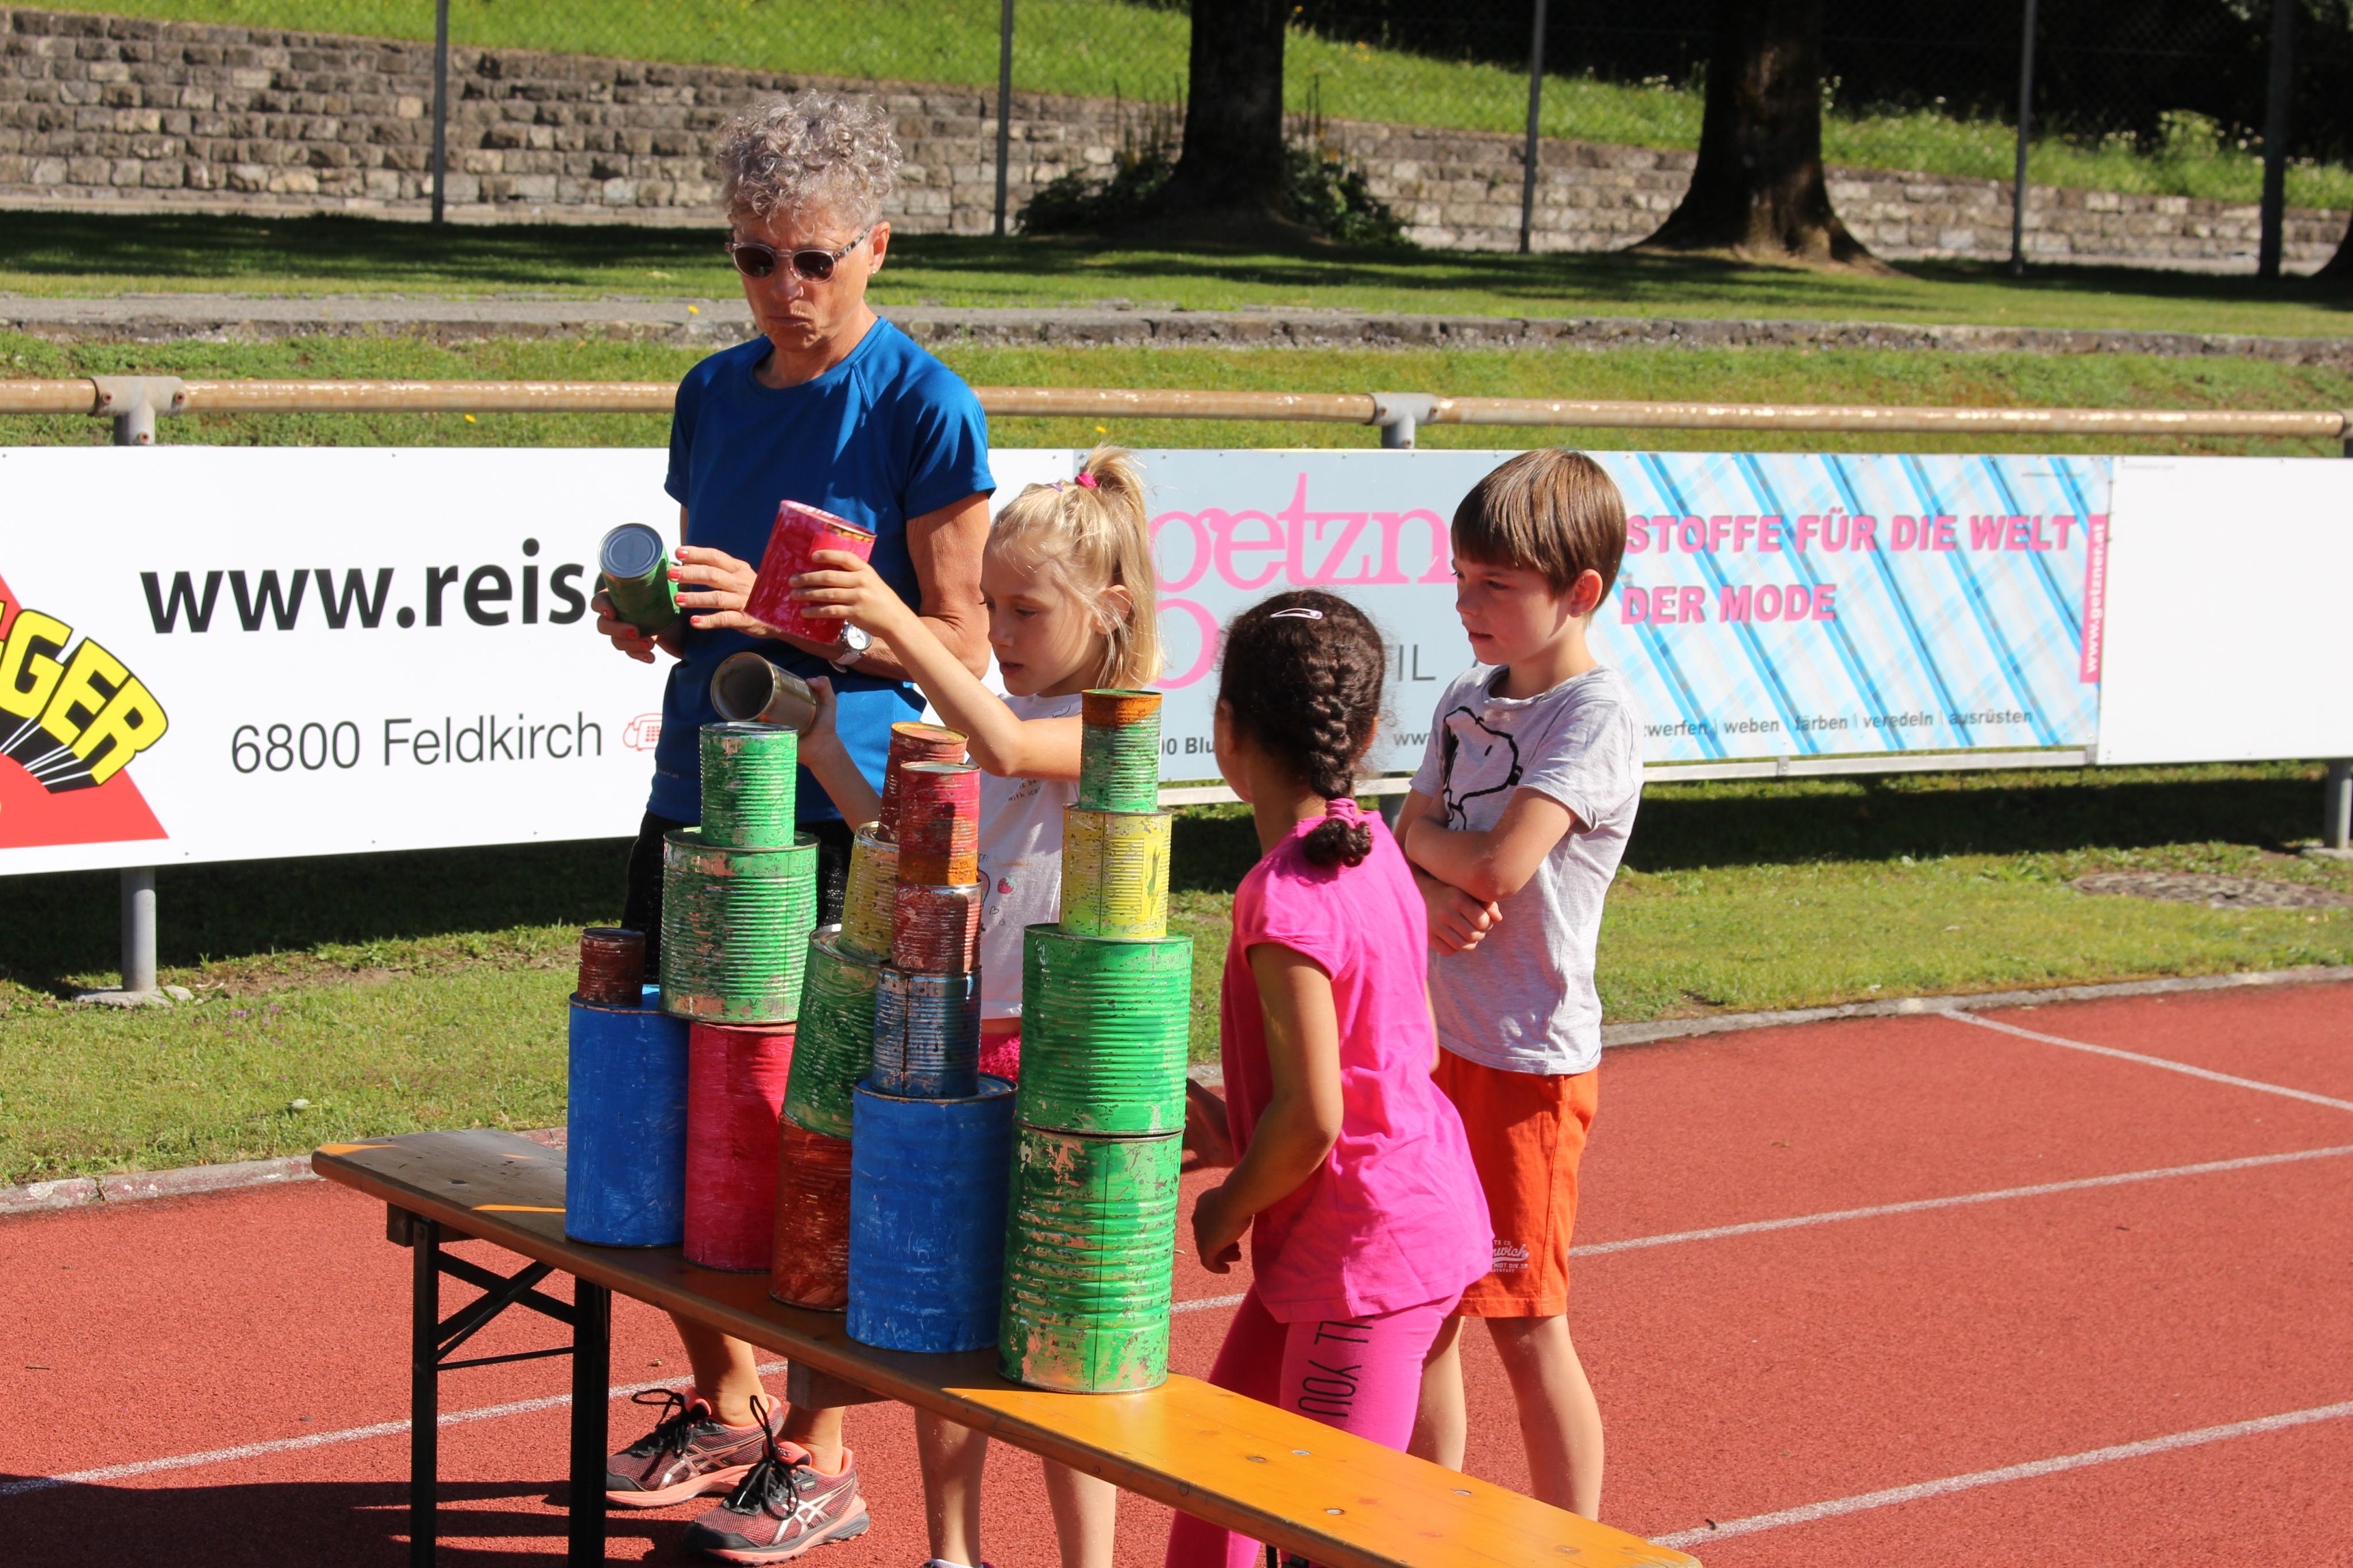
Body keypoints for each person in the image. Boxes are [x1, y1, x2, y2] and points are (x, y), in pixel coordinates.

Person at [588, 91, 995, 1562]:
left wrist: (785, 620)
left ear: (877, 246)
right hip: (698, 789)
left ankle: (820, 1451)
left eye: (812, 258)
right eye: (754, 258)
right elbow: (702, 600)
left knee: (810, 1120)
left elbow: (965, 647)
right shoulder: (709, 391)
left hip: (842, 805)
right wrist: (650, 620)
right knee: (658, 1096)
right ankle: (725, 1402)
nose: (784, 287)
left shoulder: (923, 404)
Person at [788, 447, 1159, 1568]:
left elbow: (1002, 745)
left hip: (1059, 1062)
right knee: (948, 1320)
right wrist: (826, 749)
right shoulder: (998, 709)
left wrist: (901, 631)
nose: (1000, 631)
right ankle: (952, 1552)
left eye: (1025, 610)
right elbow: (904, 847)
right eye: (989, 608)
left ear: (1112, 609)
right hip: (954, 1048)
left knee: (1065, 1336)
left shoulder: (1113, 727)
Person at [1165, 590, 1492, 1568]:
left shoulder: (1285, 897)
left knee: (1329, 1536)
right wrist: (1238, 1124)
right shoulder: (1373, 843)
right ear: (1367, 729)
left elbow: (1314, 1116)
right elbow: (1402, 1049)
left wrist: (1227, 1202)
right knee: (1217, 1502)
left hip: (1363, 1256)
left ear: (1227, 731)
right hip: (1409, 1216)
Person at [1394, 449, 1644, 1521]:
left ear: (1580, 591)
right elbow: (1402, 835)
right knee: (1424, 1310)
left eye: (1495, 584)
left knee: (1528, 1321)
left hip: (1522, 1063)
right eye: (1460, 577)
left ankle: (1574, 1544)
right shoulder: (1466, 695)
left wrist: (1435, 859)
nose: (1467, 604)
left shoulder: (1596, 716)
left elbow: (1500, 864)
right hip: (1431, 1046)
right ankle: (1420, 1524)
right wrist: (1428, 881)